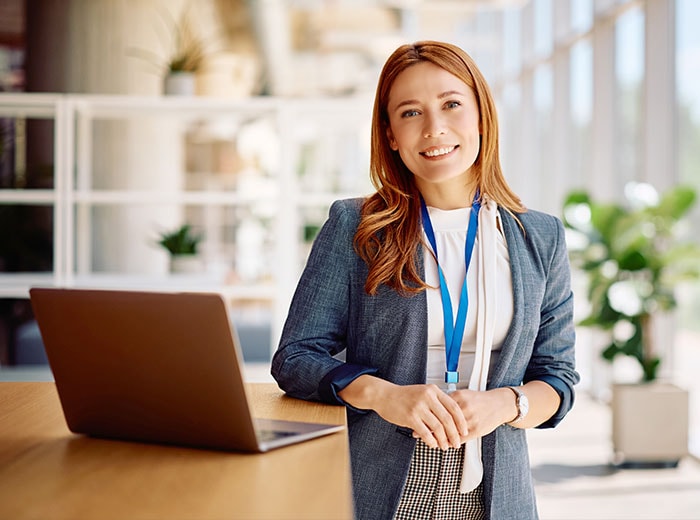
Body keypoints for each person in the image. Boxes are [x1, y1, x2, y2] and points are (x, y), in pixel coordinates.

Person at [271, 40, 579, 520]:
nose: (434, 128)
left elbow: (557, 379)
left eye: (452, 104)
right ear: (391, 134)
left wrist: (503, 403)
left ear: (482, 115)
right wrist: (382, 394)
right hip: (378, 488)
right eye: (410, 112)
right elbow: (295, 357)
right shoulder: (356, 227)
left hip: (496, 494)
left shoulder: (539, 237)